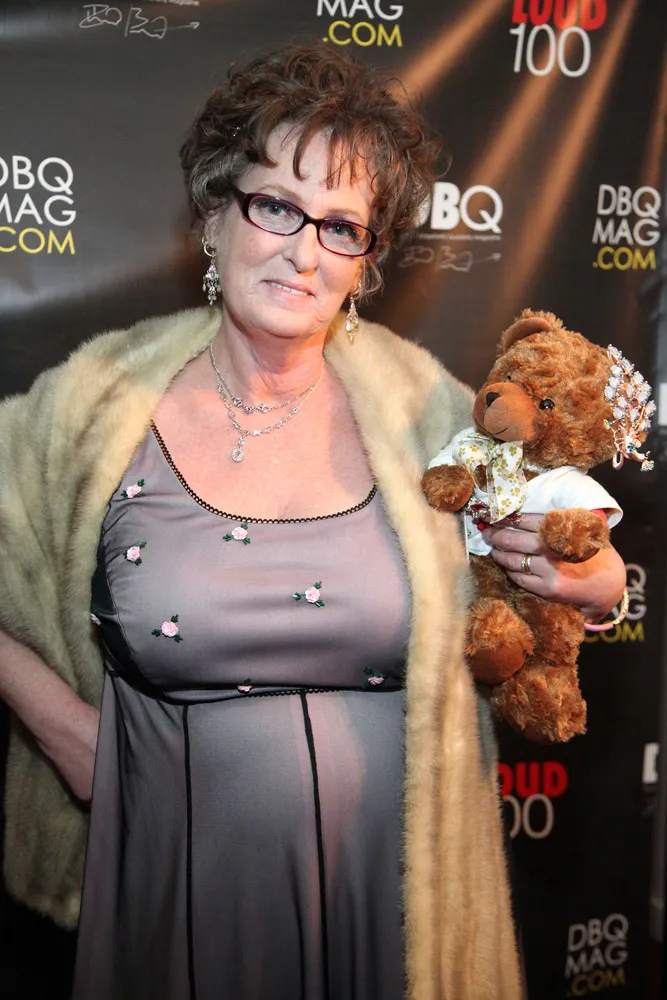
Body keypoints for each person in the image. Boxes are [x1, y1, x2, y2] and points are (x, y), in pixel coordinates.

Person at [0, 44, 625, 1000]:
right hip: (172, 883)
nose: (303, 252)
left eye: (341, 227)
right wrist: (67, 734)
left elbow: (571, 552)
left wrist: (591, 581)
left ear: (364, 265)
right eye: (277, 207)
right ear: (214, 214)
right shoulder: (97, 404)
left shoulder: (425, 410)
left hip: (394, 899)